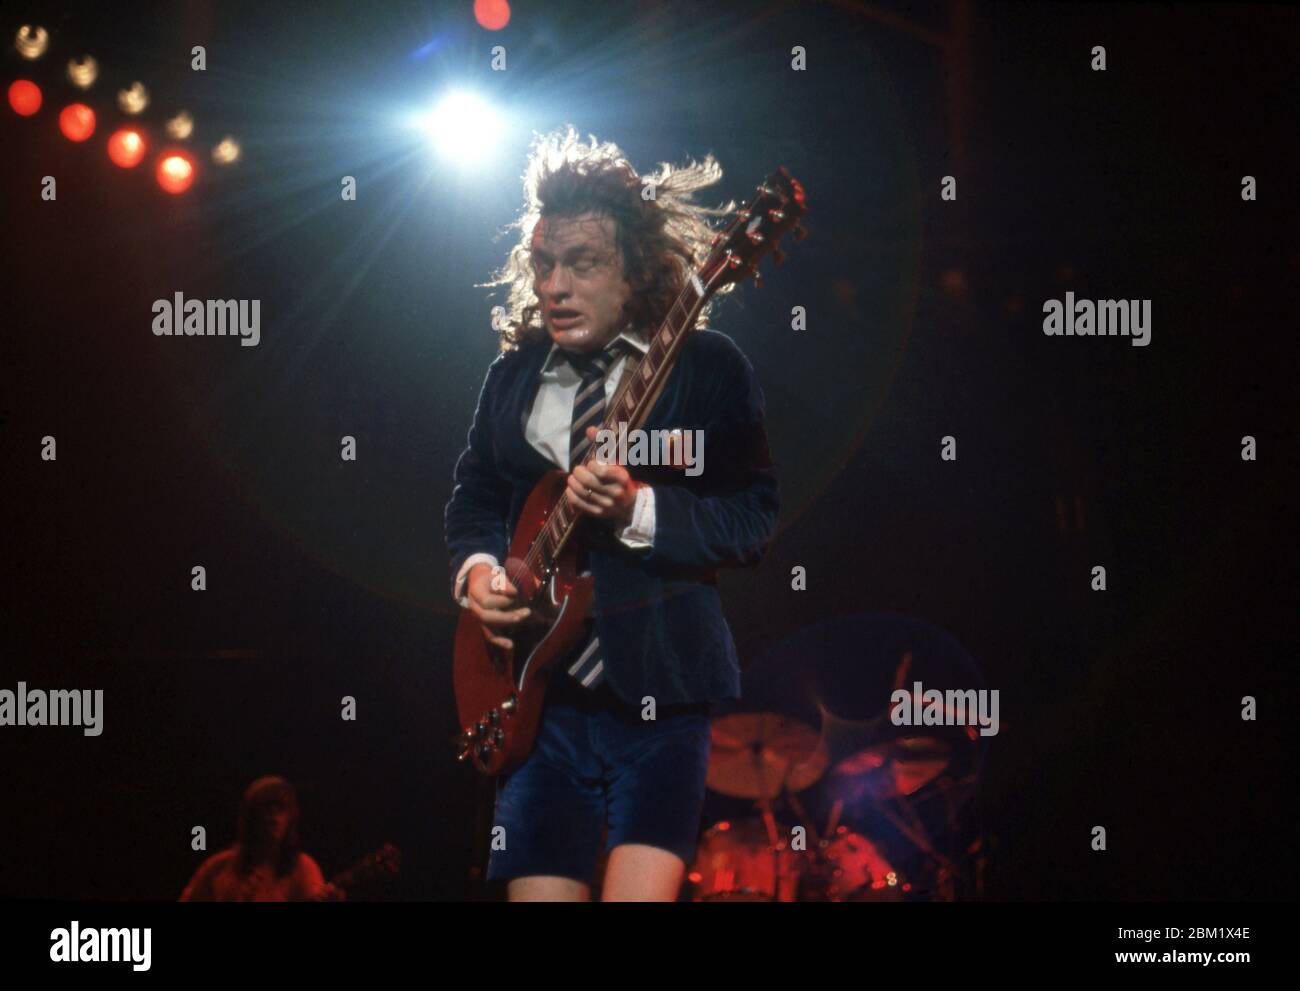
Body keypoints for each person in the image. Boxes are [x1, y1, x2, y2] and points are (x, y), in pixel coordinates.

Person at [445, 126, 780, 901]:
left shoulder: (708, 369)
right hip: (538, 706)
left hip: (661, 693)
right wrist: (479, 573)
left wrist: (641, 509)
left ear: (634, 272)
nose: (554, 285)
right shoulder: (513, 375)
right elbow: (476, 498)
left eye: (582, 263)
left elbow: (752, 515)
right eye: (543, 264)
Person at [179, 775, 341, 902]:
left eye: (281, 808)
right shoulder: (218, 867)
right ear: (251, 817)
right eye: (267, 807)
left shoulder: (303, 869)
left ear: (291, 818)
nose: (274, 815)